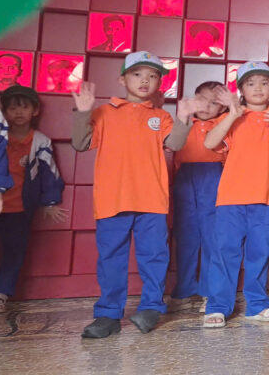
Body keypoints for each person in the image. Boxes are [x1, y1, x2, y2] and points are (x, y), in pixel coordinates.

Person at [71, 51, 194, 338]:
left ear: (159, 84)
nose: (145, 80)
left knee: (154, 256)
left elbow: (175, 143)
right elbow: (80, 143)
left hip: (151, 199)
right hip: (112, 198)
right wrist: (83, 112)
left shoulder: (160, 116)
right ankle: (108, 314)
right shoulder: (105, 112)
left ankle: (151, 307)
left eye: (152, 76)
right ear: (122, 79)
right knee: (111, 258)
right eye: (137, 74)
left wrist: (183, 118)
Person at [199, 62, 269, 328]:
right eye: (250, 83)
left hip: (268, 198)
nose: (258, 88)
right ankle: (218, 307)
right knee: (225, 252)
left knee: (259, 253)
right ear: (241, 89)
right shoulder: (233, 116)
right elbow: (209, 143)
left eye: (264, 83)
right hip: (232, 198)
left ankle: (257, 304)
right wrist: (232, 115)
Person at [0, 87, 67, 315]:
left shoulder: (40, 141)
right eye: (12, 108)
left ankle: (0, 293)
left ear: (35, 111)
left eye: (24, 107)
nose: (18, 113)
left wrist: (50, 201)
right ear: (4, 111)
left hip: (19, 207)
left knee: (14, 251)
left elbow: (49, 173)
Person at [169, 81, 228, 313]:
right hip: (185, 178)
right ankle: (184, 289)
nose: (207, 106)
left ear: (222, 107)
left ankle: (209, 290)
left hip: (213, 176)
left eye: (214, 103)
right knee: (185, 235)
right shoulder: (183, 122)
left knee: (212, 236)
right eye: (202, 100)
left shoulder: (223, 124)